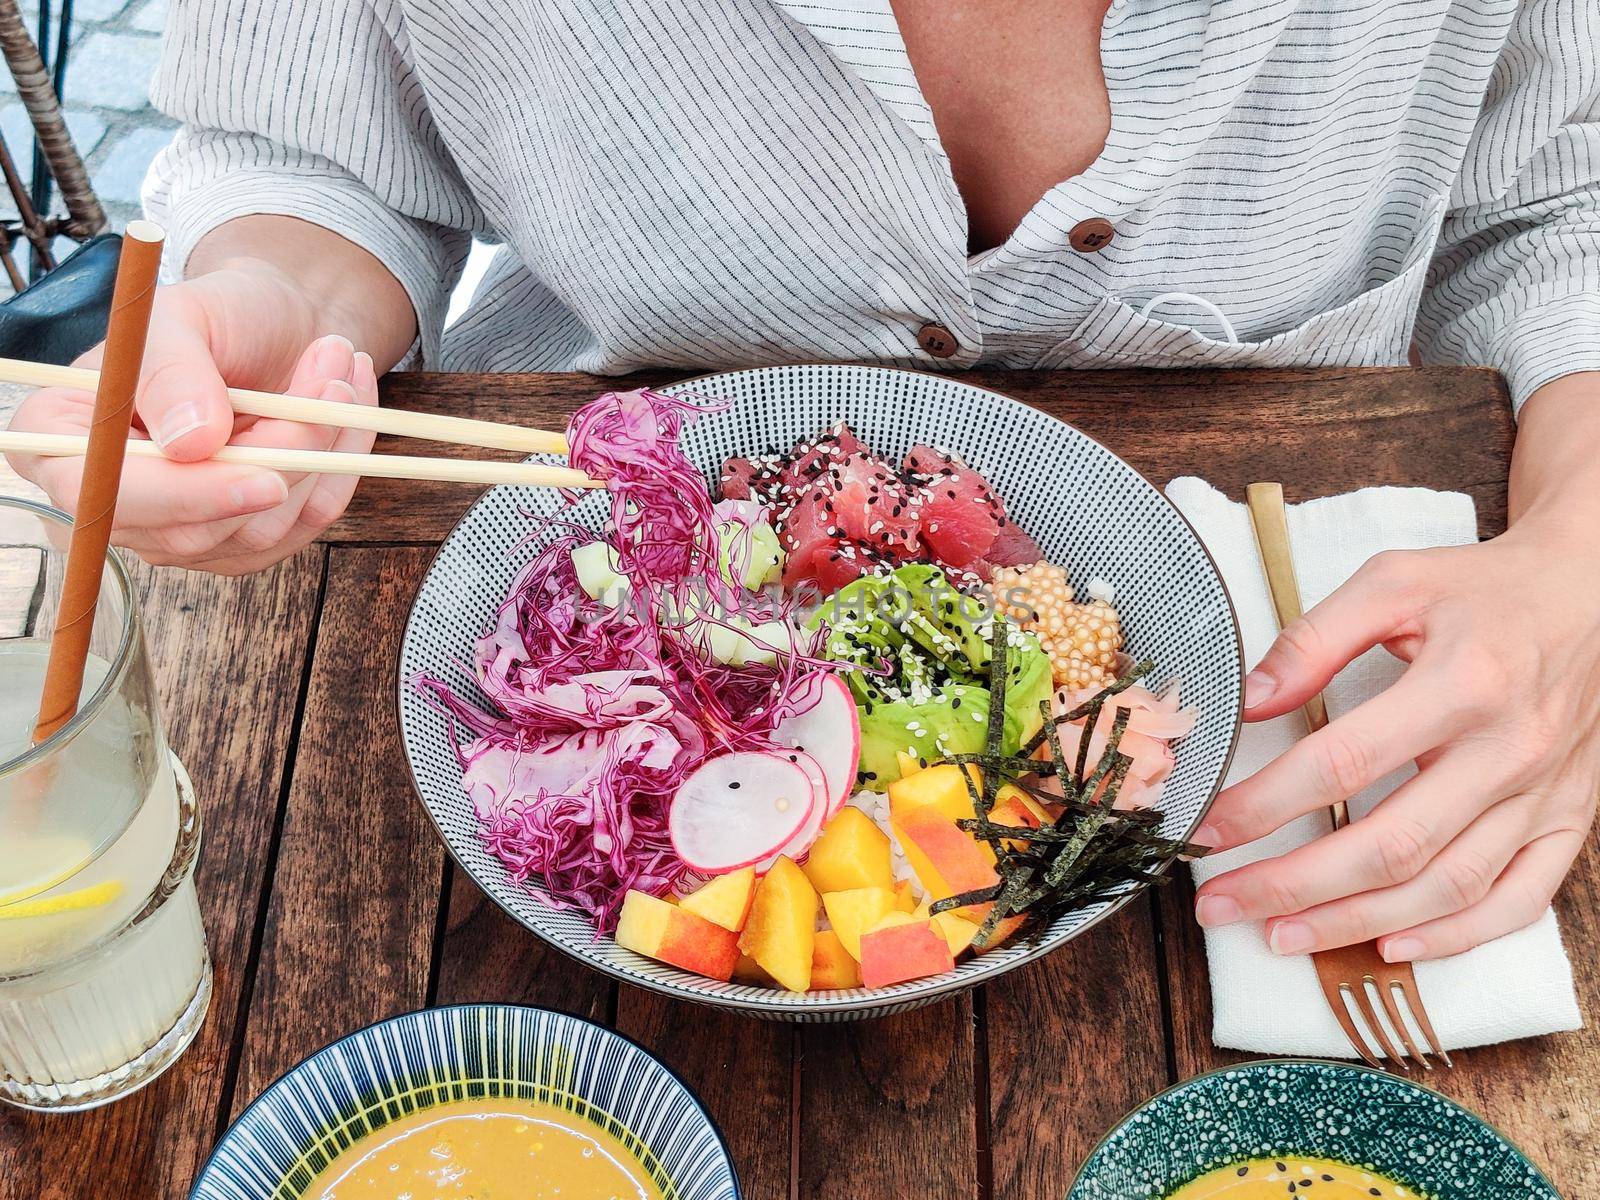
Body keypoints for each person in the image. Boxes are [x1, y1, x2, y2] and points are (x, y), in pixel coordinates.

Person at [6, 0, 1598, 966]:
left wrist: (1583, 552)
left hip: (1355, 703)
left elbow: (1564, 198)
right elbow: (313, 153)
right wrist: (288, 319)